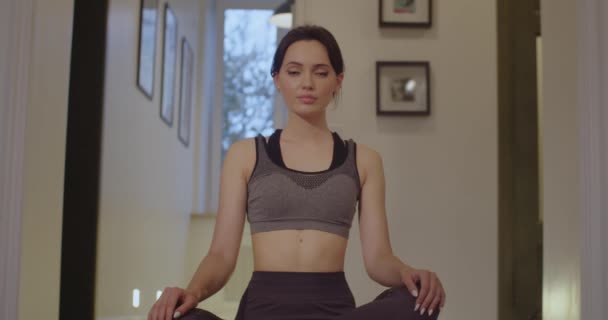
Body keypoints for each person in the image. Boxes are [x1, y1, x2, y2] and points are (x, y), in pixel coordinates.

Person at [148, 25, 446, 320]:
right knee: (174, 316)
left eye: (320, 72)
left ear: (338, 80)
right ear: (277, 79)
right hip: (263, 310)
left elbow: (378, 259)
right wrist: (192, 292)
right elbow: (222, 256)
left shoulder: (365, 161)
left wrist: (409, 274)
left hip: (333, 309)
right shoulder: (245, 155)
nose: (307, 83)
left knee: (420, 300)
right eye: (294, 72)